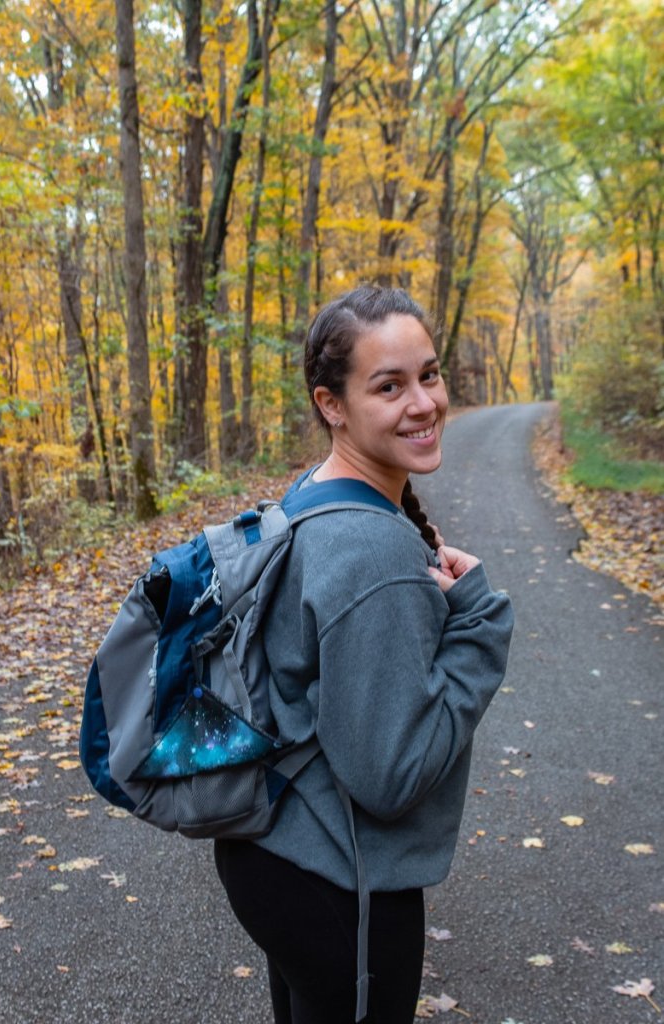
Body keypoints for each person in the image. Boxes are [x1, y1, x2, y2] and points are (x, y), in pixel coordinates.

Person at [214, 285, 514, 1024]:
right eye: (389, 386)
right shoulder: (374, 546)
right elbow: (391, 774)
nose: (423, 403)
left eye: (429, 374)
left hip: (275, 858)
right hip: (337, 887)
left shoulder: (314, 494)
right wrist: (479, 627)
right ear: (331, 405)